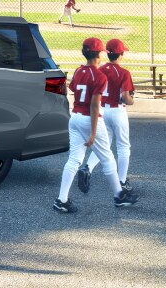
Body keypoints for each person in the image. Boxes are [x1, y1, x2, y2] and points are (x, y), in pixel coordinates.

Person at [54, 37, 138, 213]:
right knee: (107, 157)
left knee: (74, 159)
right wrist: (93, 132)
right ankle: (119, 195)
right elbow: (93, 105)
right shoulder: (98, 75)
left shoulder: (78, 71)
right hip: (89, 119)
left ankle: (61, 200)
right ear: (98, 54)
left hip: (75, 117)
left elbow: (72, 89)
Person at [79, 38, 135, 194]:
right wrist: (132, 101)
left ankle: (87, 168)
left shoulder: (99, 69)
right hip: (117, 111)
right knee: (123, 146)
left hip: (102, 110)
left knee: (105, 144)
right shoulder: (123, 72)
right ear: (121, 54)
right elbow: (125, 97)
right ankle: (122, 181)